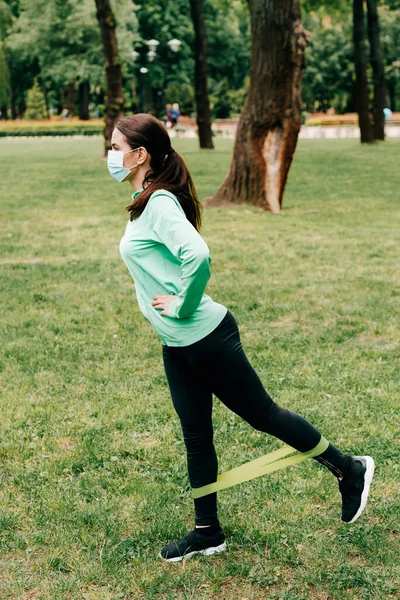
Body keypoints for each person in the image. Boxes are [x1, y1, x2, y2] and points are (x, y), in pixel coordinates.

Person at [106, 113, 375, 563]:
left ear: (140, 154)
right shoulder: (144, 199)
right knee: (196, 436)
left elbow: (198, 255)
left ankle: (349, 470)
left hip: (205, 336)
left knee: (264, 415)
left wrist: (182, 305)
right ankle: (207, 532)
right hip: (177, 345)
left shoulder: (159, 204)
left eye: (115, 147)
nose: (109, 155)